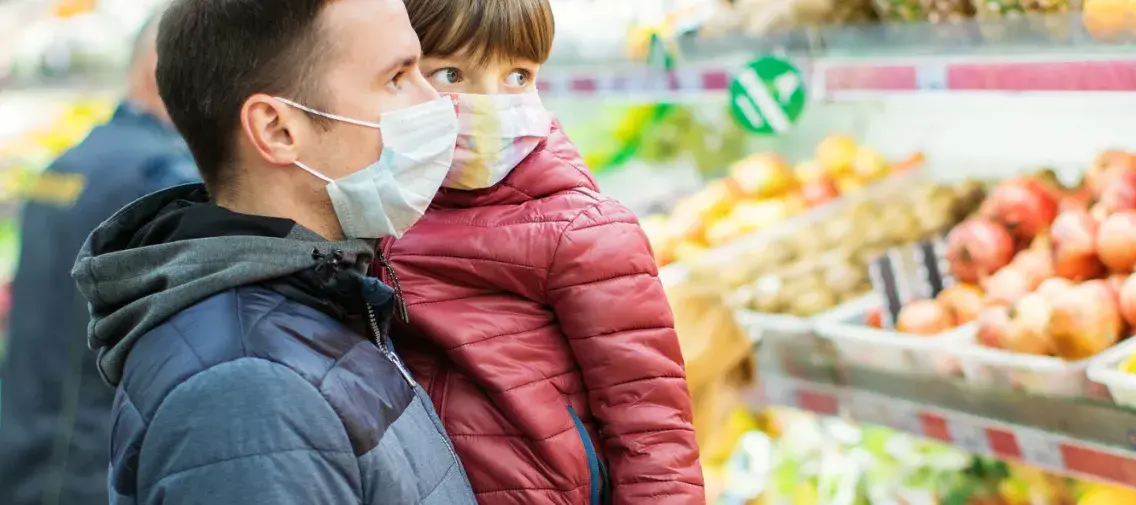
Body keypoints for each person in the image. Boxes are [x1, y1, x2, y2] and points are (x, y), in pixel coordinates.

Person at [68, 0, 480, 503]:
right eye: (396, 77)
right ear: (276, 129)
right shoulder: (248, 391)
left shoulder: (324, 298)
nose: (434, 101)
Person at [380, 0, 705, 503]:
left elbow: (654, 433)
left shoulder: (585, 230)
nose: (490, 102)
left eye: (517, 76)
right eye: (451, 73)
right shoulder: (379, 212)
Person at [0, 16, 197, 505]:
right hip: (85, 460)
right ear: (165, 66)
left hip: (27, 444)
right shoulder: (160, 176)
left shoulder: (68, 161)